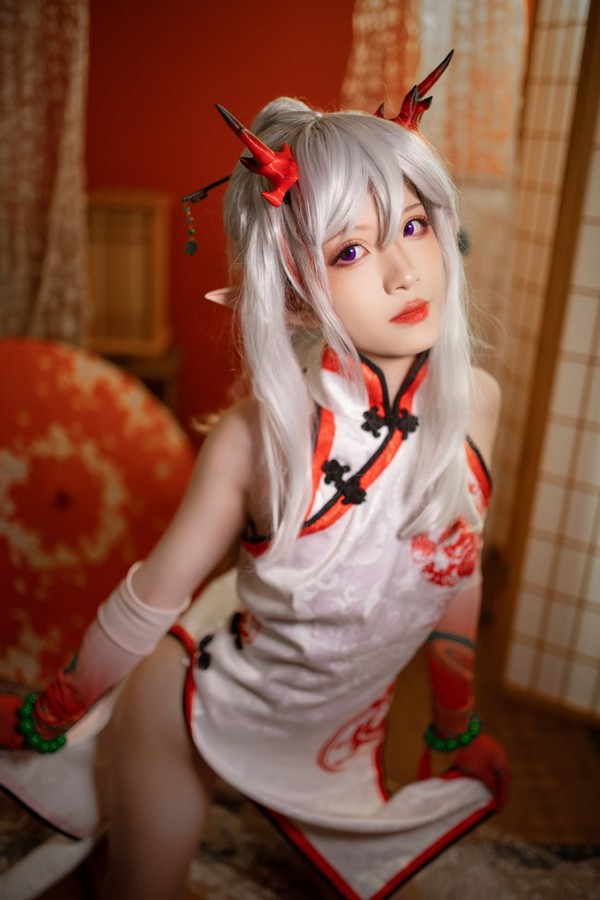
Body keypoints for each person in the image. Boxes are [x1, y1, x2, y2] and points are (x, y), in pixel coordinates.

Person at [0, 54, 509, 900]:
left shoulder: (477, 403)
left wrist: (453, 726)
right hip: (193, 704)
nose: (403, 271)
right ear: (298, 298)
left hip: (335, 730)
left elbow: (456, 569)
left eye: (415, 225)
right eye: (353, 249)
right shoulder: (252, 442)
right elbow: (150, 597)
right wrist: (51, 711)